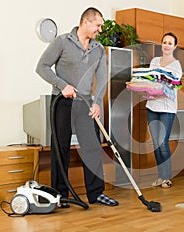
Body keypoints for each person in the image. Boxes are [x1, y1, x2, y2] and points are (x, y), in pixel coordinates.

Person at [36, 7, 119, 207]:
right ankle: (60, 195)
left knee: (92, 147)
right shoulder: (62, 42)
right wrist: (62, 85)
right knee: (61, 148)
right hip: (62, 102)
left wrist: (97, 102)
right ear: (86, 22)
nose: (100, 29)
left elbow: (101, 78)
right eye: (98, 25)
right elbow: (42, 67)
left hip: (85, 104)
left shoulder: (98, 48)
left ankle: (96, 193)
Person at [147, 32, 183, 188]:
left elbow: (171, 84)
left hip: (167, 109)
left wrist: (158, 83)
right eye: (164, 42)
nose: (167, 45)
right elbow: (149, 79)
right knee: (155, 143)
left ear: (174, 47)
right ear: (161, 44)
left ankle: (167, 177)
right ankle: (161, 176)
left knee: (162, 143)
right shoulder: (154, 61)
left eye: (170, 43)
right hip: (152, 106)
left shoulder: (176, 65)